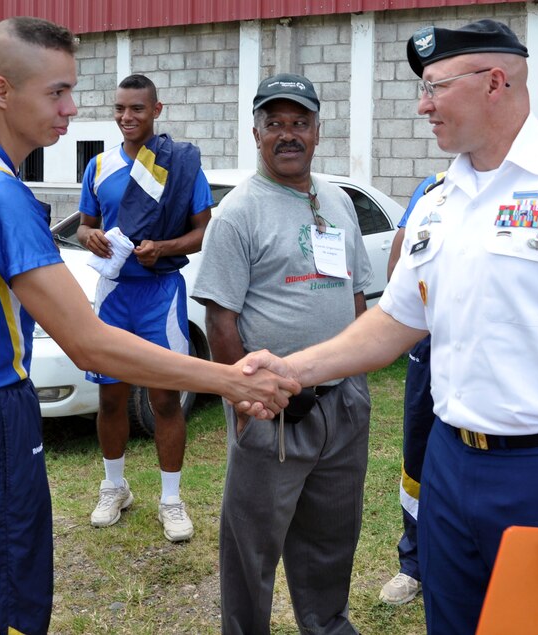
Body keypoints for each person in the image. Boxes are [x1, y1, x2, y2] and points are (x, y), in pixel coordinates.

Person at [238, 20, 538, 634]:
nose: (422, 105)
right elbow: (394, 322)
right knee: (452, 622)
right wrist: (293, 370)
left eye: (435, 87)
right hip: (450, 465)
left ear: (495, 82)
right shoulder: (439, 200)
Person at [0, 17, 297, 635]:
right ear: (1, 91)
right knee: (4, 599)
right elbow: (86, 340)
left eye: (73, 90)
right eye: (56, 92)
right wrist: (229, 379)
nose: (72, 110)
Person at [192, 73, 373, 634]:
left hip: (342, 402)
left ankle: (327, 625)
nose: (288, 135)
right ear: (256, 133)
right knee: (253, 547)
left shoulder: (339, 203)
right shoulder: (239, 213)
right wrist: (251, 403)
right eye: (275, 124)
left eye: (300, 123)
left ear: (318, 132)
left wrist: (358, 381)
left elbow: (358, 296)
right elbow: (221, 319)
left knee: (332, 534)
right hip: (270, 407)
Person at [76, 74, 211, 541]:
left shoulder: (181, 163)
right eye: (119, 109)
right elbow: (85, 226)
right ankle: (114, 487)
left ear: (157, 109)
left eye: (136, 109)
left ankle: (171, 499)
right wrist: (88, 237)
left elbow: (201, 231)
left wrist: (165, 245)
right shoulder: (98, 165)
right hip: (114, 294)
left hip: (159, 292)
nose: (126, 117)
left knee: (164, 397)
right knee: (111, 395)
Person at [379, 172, 442, 606]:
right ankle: (413, 565)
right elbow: (399, 265)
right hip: (430, 348)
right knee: (417, 455)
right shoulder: (430, 189)